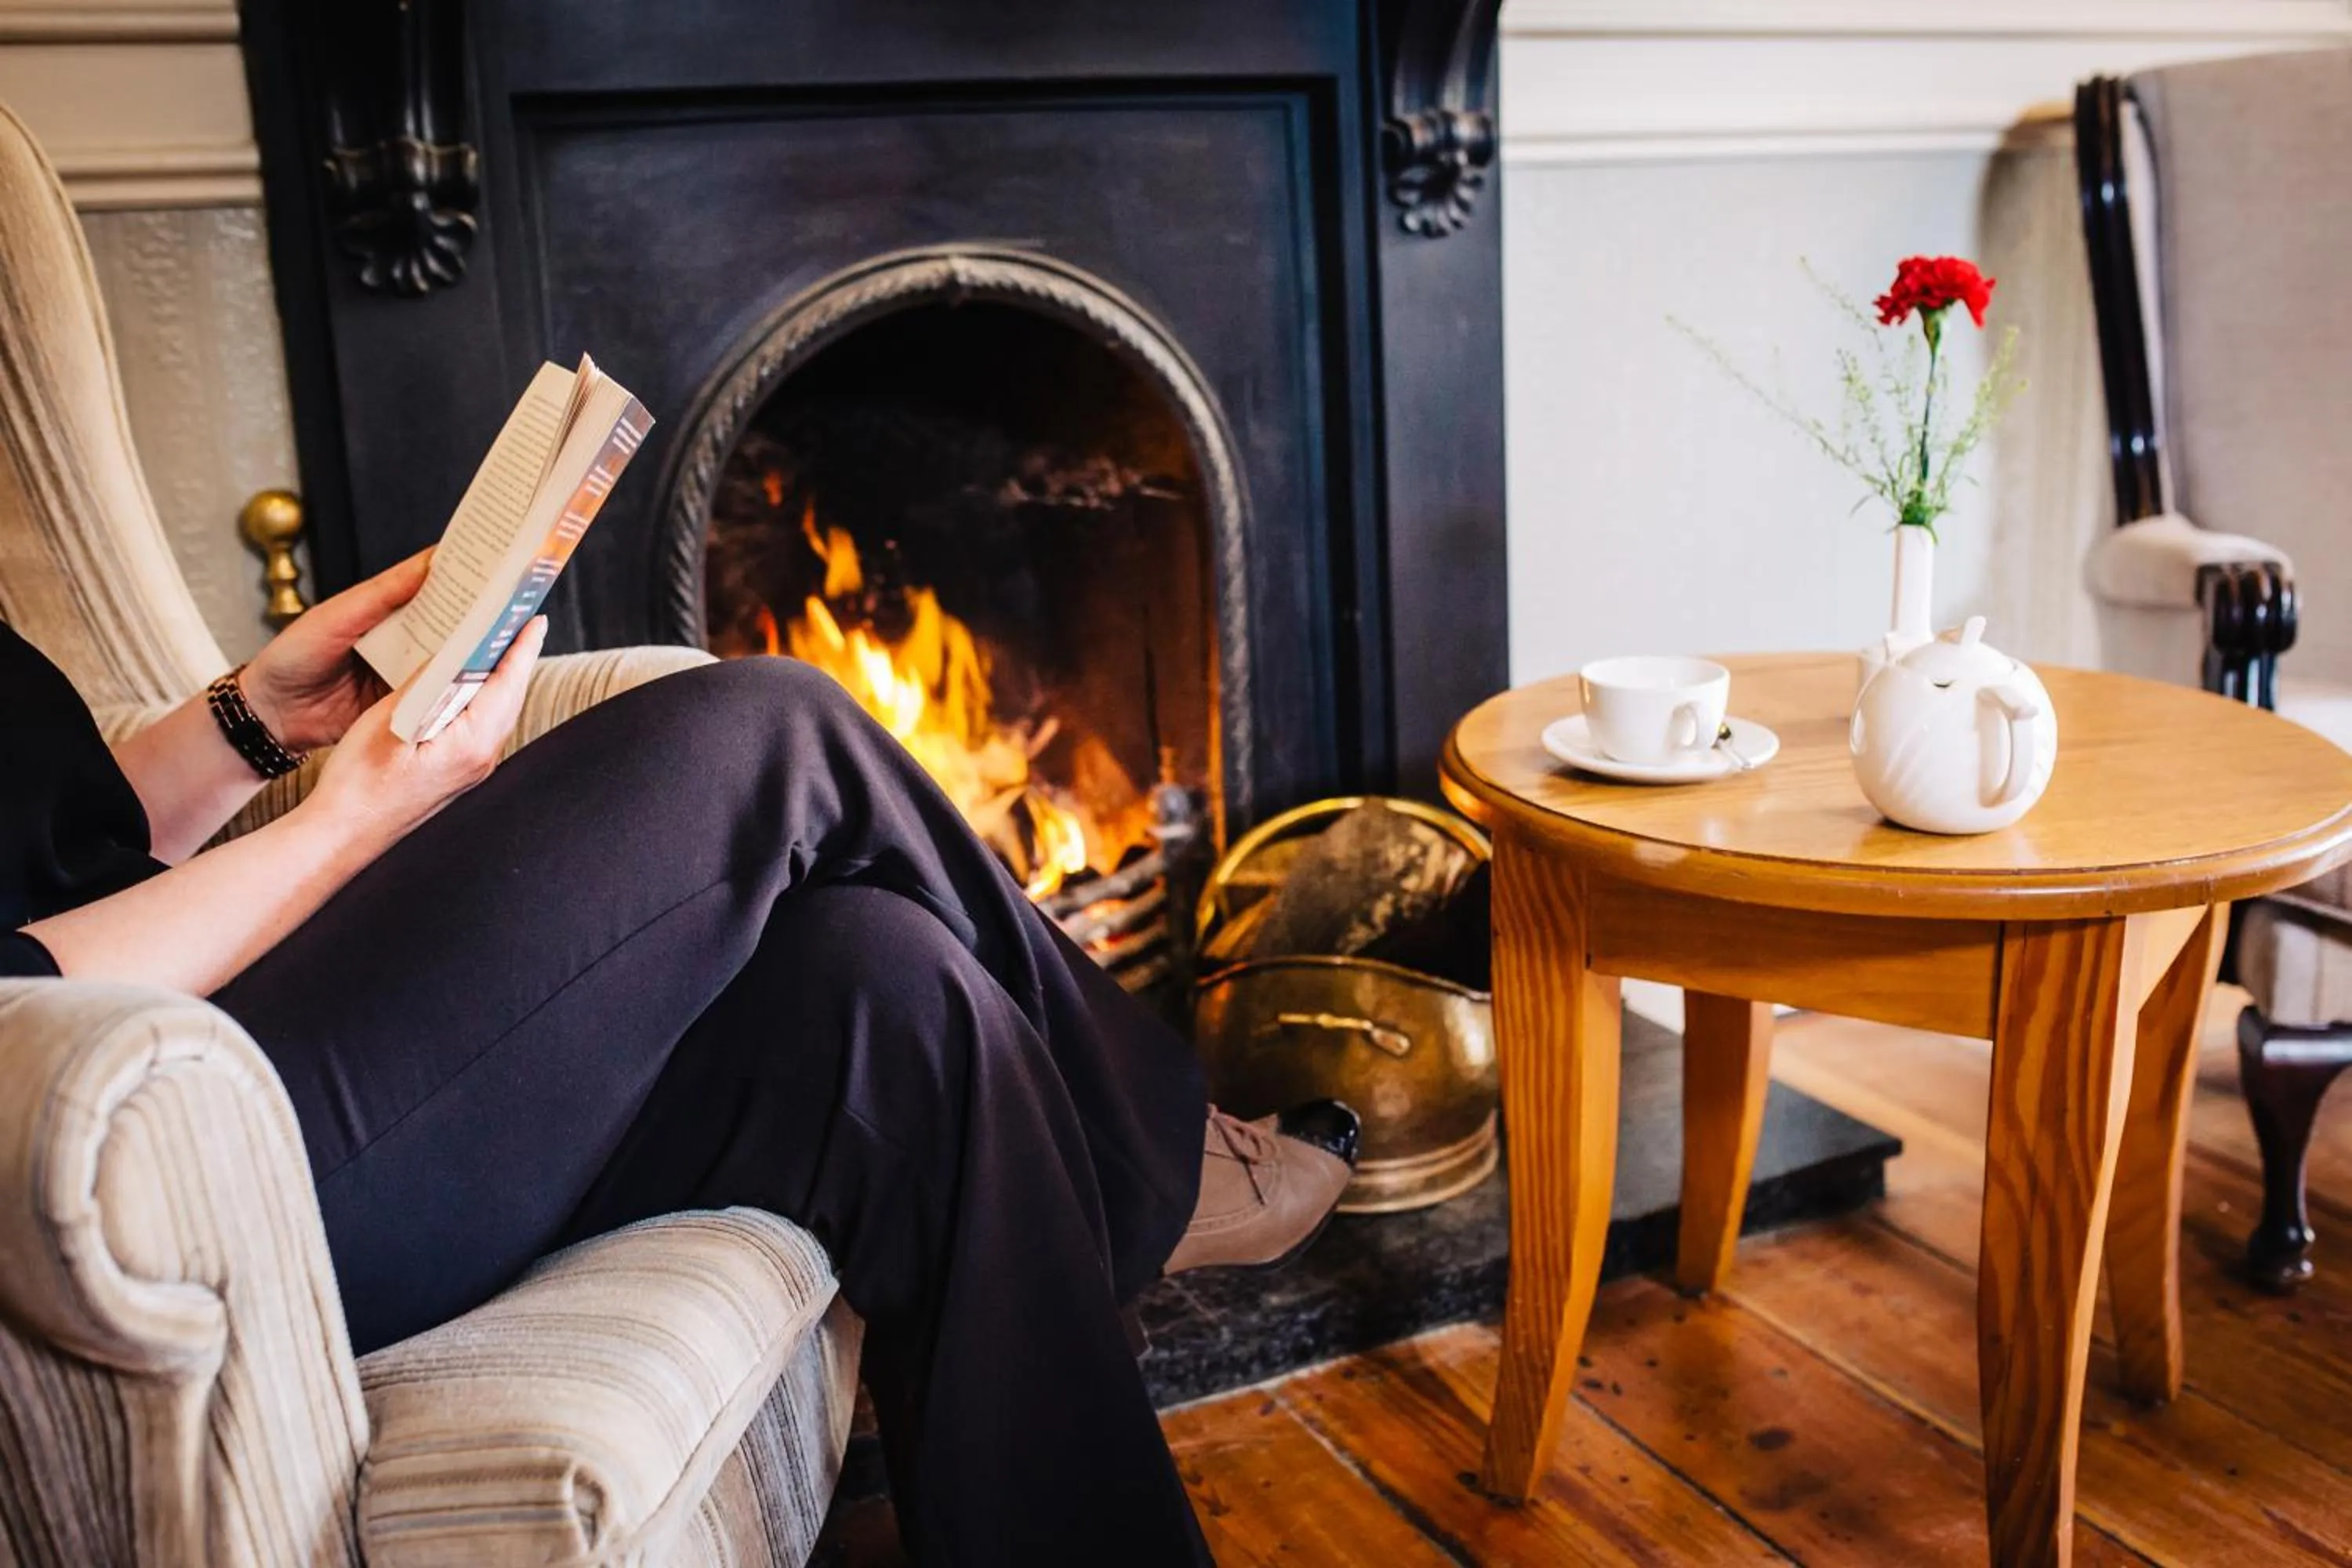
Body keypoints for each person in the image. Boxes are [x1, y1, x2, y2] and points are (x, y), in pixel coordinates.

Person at [0, 551, 1359, 1566]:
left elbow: (58, 855)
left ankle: (1131, 1211)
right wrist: (344, 825)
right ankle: (1152, 1165)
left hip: (245, 1014)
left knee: (888, 984)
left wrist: (253, 721)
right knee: (774, 724)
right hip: (153, 1153)